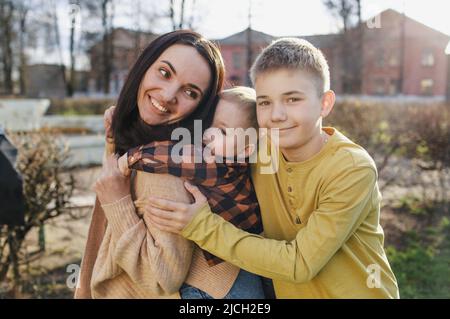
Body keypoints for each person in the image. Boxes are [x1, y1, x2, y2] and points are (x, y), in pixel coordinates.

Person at [142, 38, 400, 298]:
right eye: (265, 102)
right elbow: (200, 138)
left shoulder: (351, 169)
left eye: (292, 99)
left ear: (324, 103)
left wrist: (202, 226)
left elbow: (299, 264)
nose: (276, 115)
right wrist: (126, 126)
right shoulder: (259, 147)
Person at [75, 30, 250, 299]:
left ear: (200, 108)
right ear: (144, 66)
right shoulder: (140, 140)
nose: (168, 95)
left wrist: (117, 202)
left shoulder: (164, 167)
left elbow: (162, 278)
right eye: (165, 73)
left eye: (190, 92)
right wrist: (114, 136)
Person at [117, 86, 266, 299]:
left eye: (222, 131)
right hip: (240, 265)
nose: (208, 134)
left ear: (245, 150)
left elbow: (173, 156)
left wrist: (132, 158)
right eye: (210, 123)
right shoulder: (235, 162)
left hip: (230, 283)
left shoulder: (219, 167)